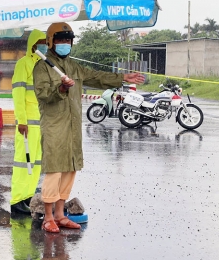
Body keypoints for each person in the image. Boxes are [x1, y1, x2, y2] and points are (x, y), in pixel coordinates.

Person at [33, 22, 145, 233]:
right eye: (61, 40)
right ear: (50, 42)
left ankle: (60, 215)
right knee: (54, 169)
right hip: (55, 125)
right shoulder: (42, 66)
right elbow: (43, 95)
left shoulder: (74, 67)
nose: (65, 44)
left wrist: (122, 77)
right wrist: (62, 87)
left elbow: (96, 76)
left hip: (74, 125)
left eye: (68, 40)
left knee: (70, 168)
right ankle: (48, 217)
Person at [10, 29, 47, 214]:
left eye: (46, 42)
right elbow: (18, 94)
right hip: (28, 124)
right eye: (41, 42)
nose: (45, 46)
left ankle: (28, 197)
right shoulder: (23, 64)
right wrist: (21, 120)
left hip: (42, 124)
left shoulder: (45, 65)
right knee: (23, 162)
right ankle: (17, 200)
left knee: (36, 163)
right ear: (32, 44)